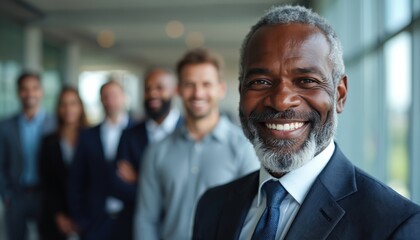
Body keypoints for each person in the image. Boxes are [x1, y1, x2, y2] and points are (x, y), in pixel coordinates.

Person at [193, 5, 420, 240]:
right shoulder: (213, 206)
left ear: (339, 95)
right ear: (241, 93)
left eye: (306, 81)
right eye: (260, 82)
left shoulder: (394, 225)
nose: (281, 102)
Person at [135, 48, 259, 240]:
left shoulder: (245, 148)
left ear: (221, 89)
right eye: (189, 84)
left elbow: (253, 218)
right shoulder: (157, 151)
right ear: (178, 90)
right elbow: (146, 219)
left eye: (206, 84)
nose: (198, 93)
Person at [112, 68, 182, 239]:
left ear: (174, 91)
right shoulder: (129, 135)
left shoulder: (189, 132)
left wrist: (139, 178)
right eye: (147, 88)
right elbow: (119, 186)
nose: (152, 94)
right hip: (135, 227)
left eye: (159, 87)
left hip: (181, 227)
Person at [68, 80, 136, 240]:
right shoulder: (87, 136)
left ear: (124, 97)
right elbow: (76, 179)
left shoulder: (138, 133)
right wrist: (80, 217)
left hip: (130, 218)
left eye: (114, 96)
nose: (110, 101)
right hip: (95, 220)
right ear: (101, 100)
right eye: (105, 96)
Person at [0, 72, 56, 240]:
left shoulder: (55, 124)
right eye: (24, 89)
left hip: (45, 195)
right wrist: (6, 194)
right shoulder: (6, 126)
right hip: (17, 195)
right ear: (18, 93)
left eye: (34, 88)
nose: (30, 93)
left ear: (42, 92)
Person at [38, 87, 88, 240]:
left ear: (80, 107)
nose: (68, 109)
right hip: (56, 218)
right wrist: (59, 215)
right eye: (63, 104)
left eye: (73, 103)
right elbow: (47, 183)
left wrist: (81, 218)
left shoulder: (92, 138)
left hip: (87, 217)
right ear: (58, 109)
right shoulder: (49, 142)